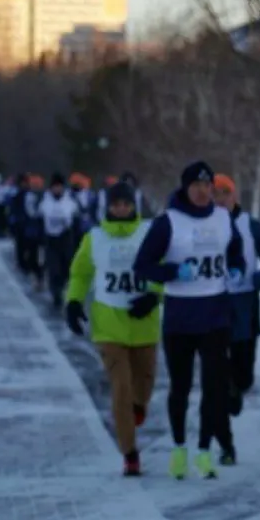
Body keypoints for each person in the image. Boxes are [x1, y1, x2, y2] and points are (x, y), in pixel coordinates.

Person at [133, 160, 246, 479]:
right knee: (180, 387)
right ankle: (179, 448)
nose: (202, 191)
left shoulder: (224, 218)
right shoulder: (168, 222)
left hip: (214, 315)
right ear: (185, 187)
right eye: (195, 185)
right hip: (181, 316)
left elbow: (235, 252)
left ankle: (203, 450)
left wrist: (236, 268)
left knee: (213, 388)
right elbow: (142, 265)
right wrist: (173, 272)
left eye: (207, 185)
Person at [65, 182, 162, 476]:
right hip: (109, 325)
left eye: (125, 203)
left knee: (143, 384)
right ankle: (130, 454)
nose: (121, 208)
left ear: (133, 205)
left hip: (144, 324)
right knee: (121, 388)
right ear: (108, 206)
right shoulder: (94, 237)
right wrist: (73, 302)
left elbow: (165, 266)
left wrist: (154, 294)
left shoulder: (149, 233)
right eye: (115, 204)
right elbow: (81, 273)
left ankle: (137, 408)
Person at [212, 174, 260, 416]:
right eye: (214, 194)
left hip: (244, 299)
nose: (219, 199)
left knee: (243, 359)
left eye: (225, 193)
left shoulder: (251, 226)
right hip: (212, 298)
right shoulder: (201, 225)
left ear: (235, 196)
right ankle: (225, 389)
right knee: (216, 351)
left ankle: (239, 383)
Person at [37, 173, 81, 309]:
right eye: (55, 187)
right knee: (53, 268)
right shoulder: (45, 202)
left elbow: (76, 223)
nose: (57, 190)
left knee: (65, 268)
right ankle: (56, 294)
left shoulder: (71, 202)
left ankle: (62, 288)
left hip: (65, 239)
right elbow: (39, 221)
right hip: (51, 240)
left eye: (59, 187)